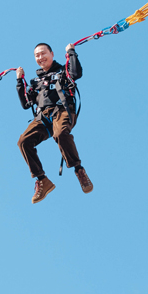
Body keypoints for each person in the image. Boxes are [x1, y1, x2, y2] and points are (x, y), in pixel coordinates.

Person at [17, 42, 93, 204]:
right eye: (37, 55)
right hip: (43, 117)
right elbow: (26, 104)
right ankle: (42, 180)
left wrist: (71, 52)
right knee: (23, 141)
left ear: (52, 54)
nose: (40, 57)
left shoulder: (62, 71)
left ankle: (78, 169)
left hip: (62, 110)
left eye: (43, 53)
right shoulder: (35, 82)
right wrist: (19, 81)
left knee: (60, 133)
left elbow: (76, 74)